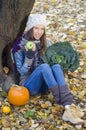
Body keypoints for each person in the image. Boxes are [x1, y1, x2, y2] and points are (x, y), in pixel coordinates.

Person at [11, 14, 84, 125]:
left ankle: (68, 107)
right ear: (30, 28)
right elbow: (21, 71)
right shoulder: (19, 45)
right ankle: (64, 103)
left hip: (46, 84)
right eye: (36, 28)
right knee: (44, 67)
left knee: (56, 66)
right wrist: (29, 57)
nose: (39, 32)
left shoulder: (46, 43)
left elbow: (50, 64)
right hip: (29, 86)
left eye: (42, 29)